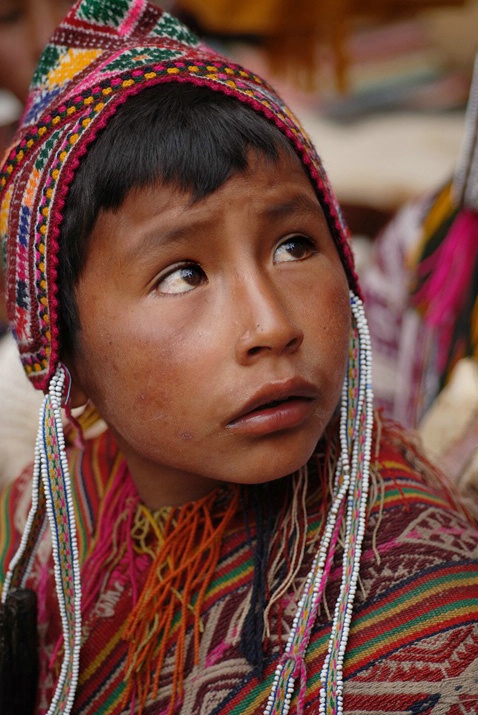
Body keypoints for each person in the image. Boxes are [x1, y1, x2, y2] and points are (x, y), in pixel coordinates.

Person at [0, 2, 477, 715]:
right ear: (60, 347)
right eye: (182, 273)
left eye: (294, 247)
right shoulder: (47, 517)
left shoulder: (426, 615)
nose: (271, 325)